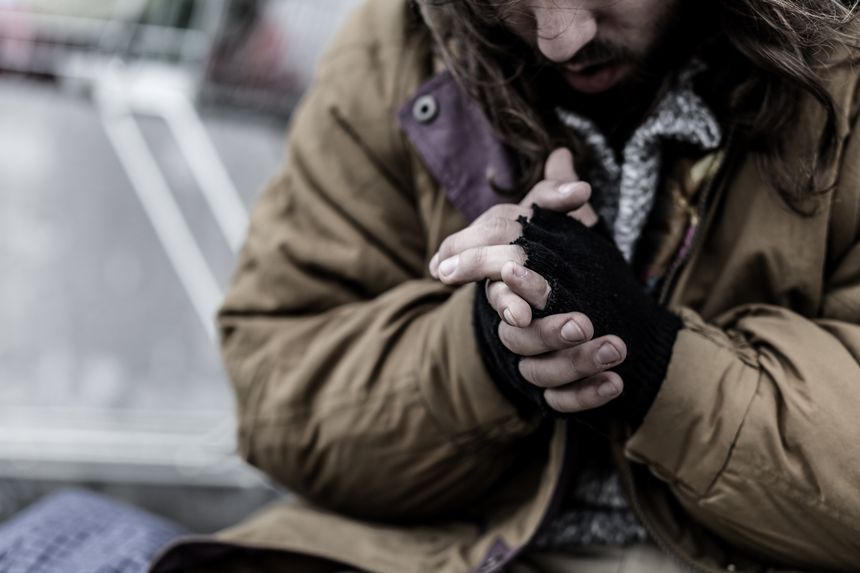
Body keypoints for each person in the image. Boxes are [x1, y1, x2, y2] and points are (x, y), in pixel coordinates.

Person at [150, 0, 860, 571]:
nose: (560, 36)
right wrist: (486, 352)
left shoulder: (846, 64)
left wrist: (651, 361)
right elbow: (279, 393)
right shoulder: (396, 43)